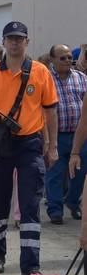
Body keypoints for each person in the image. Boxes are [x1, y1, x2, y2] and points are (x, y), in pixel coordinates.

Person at [0, 21, 59, 275]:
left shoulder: (41, 72)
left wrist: (52, 146)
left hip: (30, 143)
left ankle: (30, 267)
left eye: (19, 38)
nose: (14, 42)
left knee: (30, 205)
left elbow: (51, 111)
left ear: (27, 42)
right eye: (10, 38)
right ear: (4, 41)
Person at [45, 44, 87, 224]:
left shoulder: (81, 78)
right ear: (52, 59)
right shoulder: (45, 79)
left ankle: (72, 202)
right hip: (57, 135)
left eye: (70, 57)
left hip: (80, 136)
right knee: (55, 173)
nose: (68, 60)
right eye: (63, 58)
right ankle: (55, 210)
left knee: (79, 172)